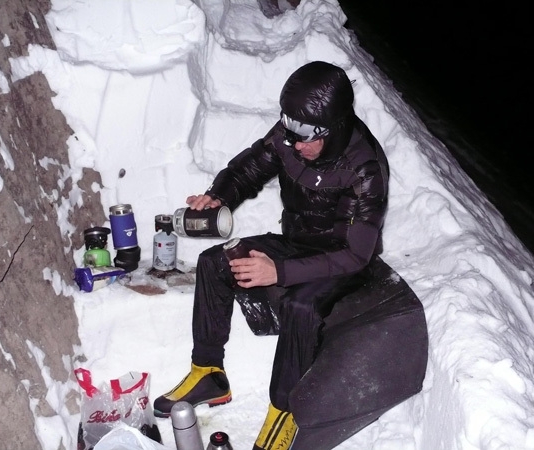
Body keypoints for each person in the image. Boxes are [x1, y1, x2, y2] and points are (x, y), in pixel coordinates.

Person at [153, 61, 390, 450]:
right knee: (215, 262)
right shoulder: (292, 135)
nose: (295, 146)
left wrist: (278, 271)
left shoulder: (365, 168)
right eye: (290, 133)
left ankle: (286, 411)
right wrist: (219, 195)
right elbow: (248, 169)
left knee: (301, 305)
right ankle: (209, 373)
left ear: (333, 129)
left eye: (306, 139)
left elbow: (354, 254)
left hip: (344, 264)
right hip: (299, 242)